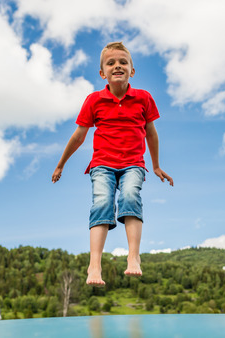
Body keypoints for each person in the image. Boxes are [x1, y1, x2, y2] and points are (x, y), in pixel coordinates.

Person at [52, 42, 173, 287]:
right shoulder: (94, 100)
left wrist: (156, 165)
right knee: (102, 203)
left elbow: (151, 133)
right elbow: (78, 136)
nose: (117, 66)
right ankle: (94, 264)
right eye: (111, 63)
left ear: (132, 70)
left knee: (129, 196)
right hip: (102, 165)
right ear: (102, 73)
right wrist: (60, 164)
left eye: (123, 62)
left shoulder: (143, 98)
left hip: (133, 164)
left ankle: (133, 256)